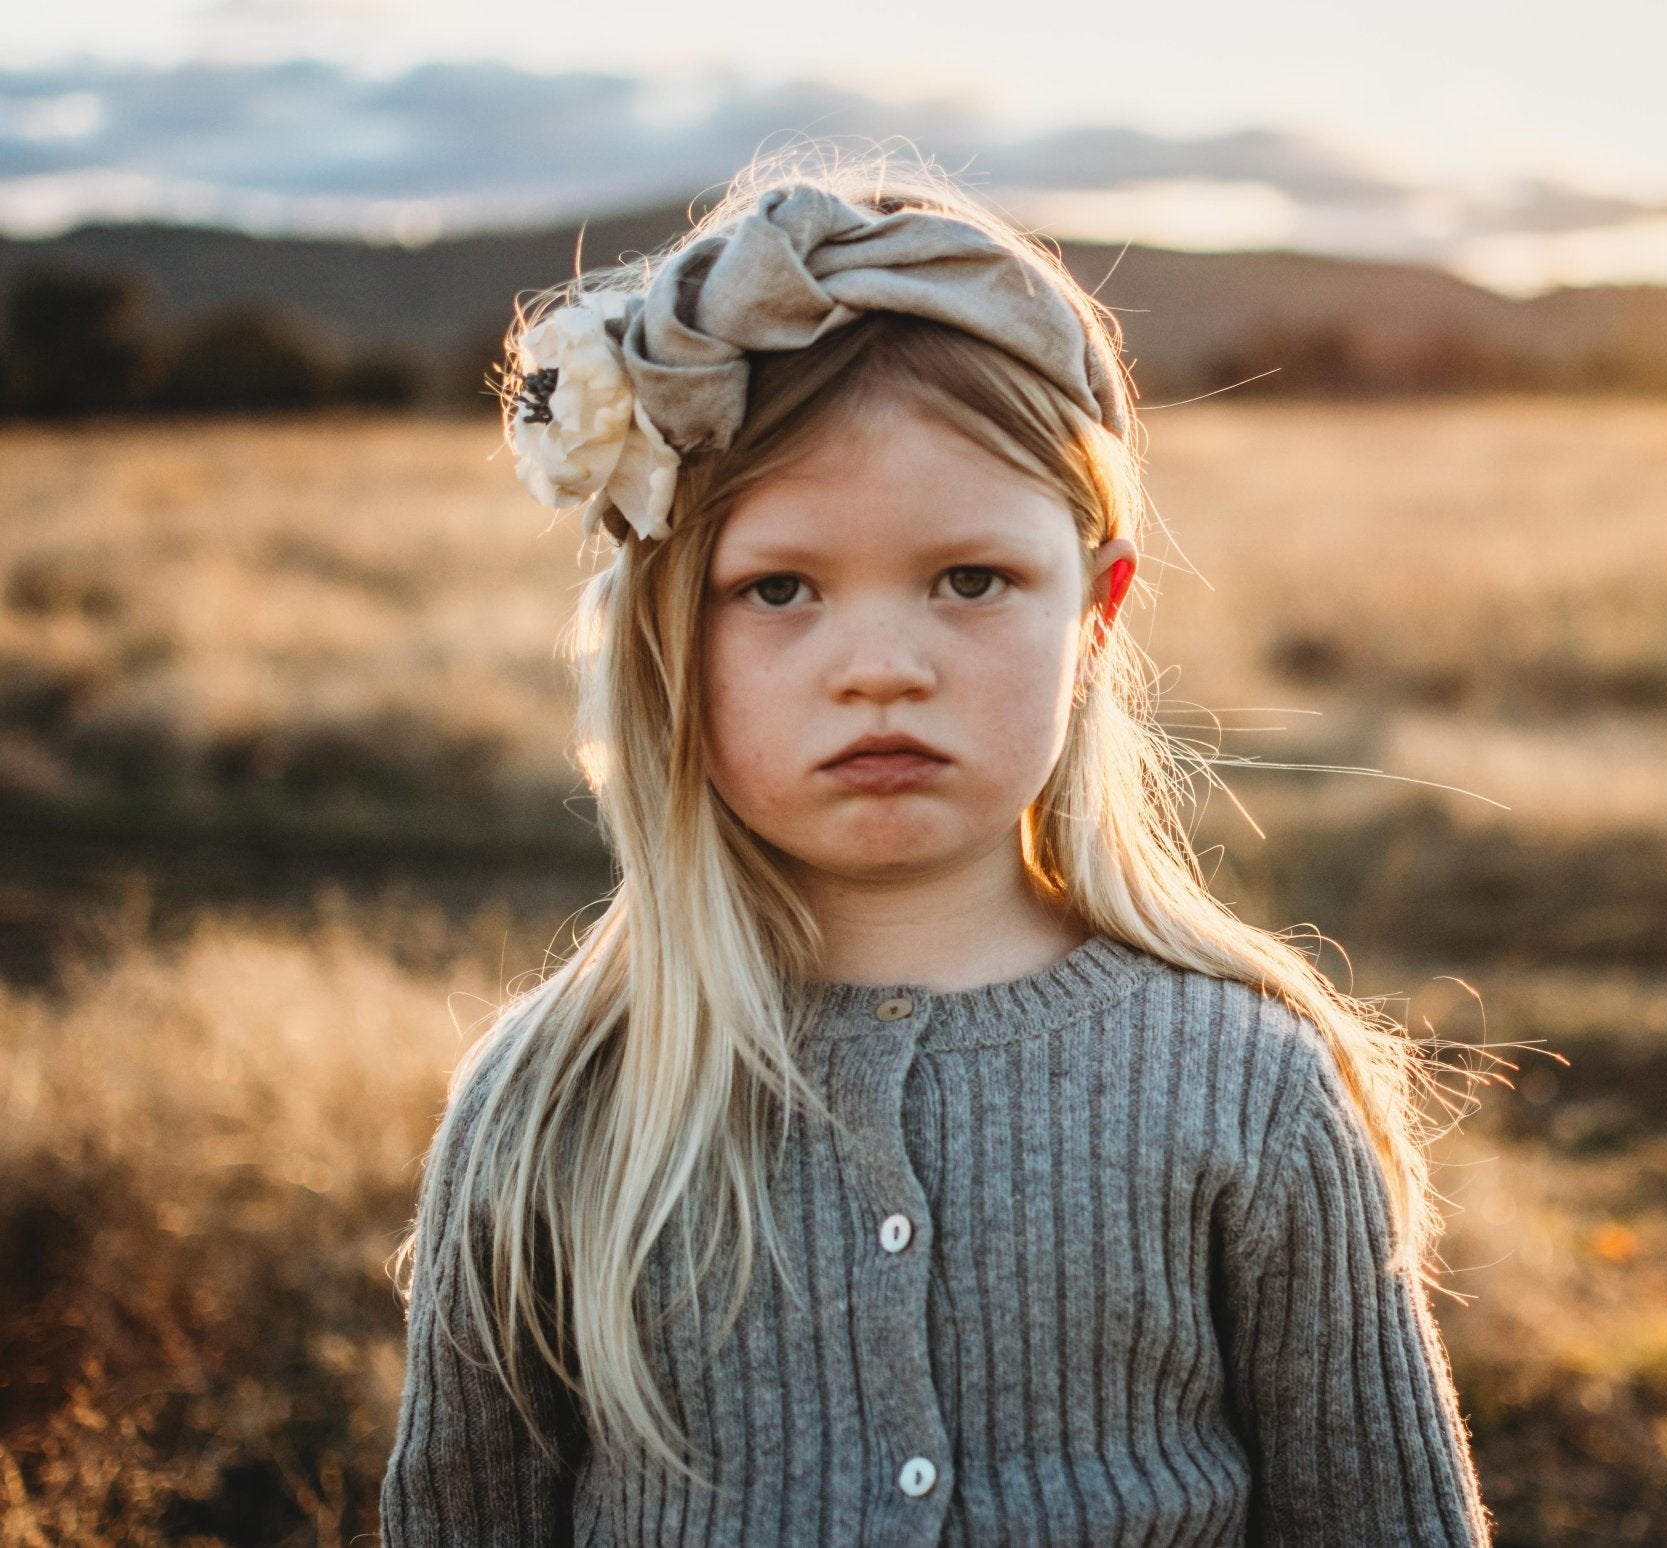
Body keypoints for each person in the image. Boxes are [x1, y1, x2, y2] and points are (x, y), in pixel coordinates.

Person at [379, 144, 1491, 1546]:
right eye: (778, 588)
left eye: (972, 580)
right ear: (668, 630)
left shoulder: (1248, 1090)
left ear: (1094, 613)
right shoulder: (555, 1105)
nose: (883, 668)